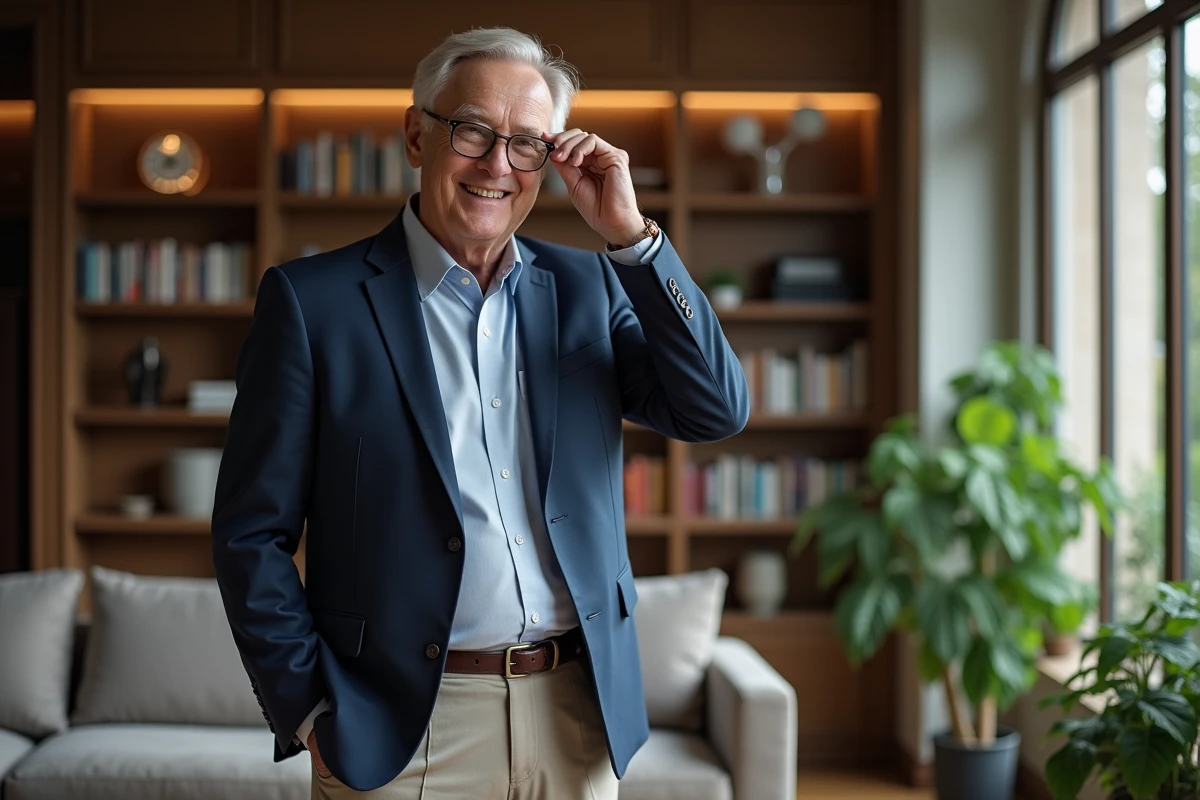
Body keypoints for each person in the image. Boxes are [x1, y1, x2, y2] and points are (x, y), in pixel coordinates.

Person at [211, 26, 749, 800]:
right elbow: (250, 532)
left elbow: (716, 408)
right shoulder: (311, 305)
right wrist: (310, 713)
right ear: (416, 135)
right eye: (472, 131)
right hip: (401, 728)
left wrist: (632, 241)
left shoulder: (589, 291)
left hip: (576, 713)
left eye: (528, 142)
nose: (498, 165)